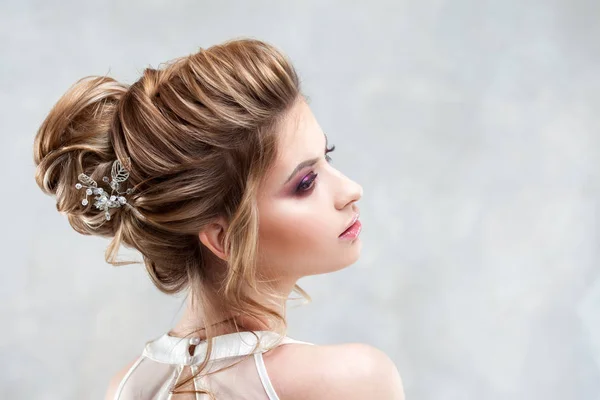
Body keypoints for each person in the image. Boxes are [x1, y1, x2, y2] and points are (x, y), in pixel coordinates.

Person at [33, 38, 404, 400]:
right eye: (305, 183)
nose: (352, 190)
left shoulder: (128, 387)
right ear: (223, 238)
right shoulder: (351, 381)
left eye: (329, 157)